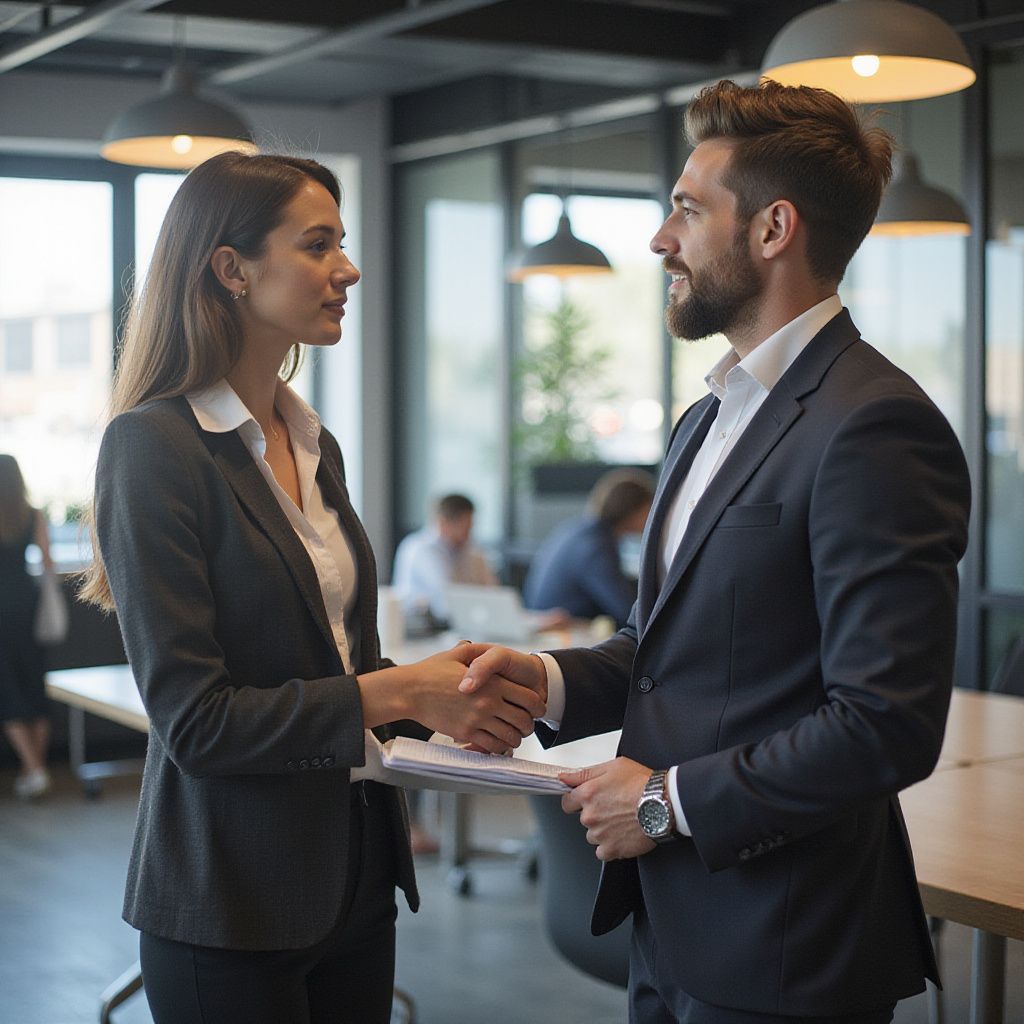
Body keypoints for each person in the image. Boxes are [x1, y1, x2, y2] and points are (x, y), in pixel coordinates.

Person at [461, 79, 971, 1023]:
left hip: (787, 947)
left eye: (688, 211)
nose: (660, 239)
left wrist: (663, 801)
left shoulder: (877, 426)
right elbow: (669, 651)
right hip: (673, 923)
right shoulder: (708, 418)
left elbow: (885, 723)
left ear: (774, 229)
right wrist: (538, 680)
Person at [79, 151, 542, 1024]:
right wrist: (400, 688)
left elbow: (336, 663)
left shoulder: (310, 443)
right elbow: (197, 723)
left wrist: (449, 694)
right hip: (231, 900)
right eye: (319, 244)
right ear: (231, 269)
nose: (349, 269)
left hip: (357, 877)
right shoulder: (154, 447)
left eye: (344, 242)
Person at [524, 468, 654, 628]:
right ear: (637, 509)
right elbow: (627, 612)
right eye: (651, 508)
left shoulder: (579, 530)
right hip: (562, 632)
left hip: (548, 623)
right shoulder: (595, 546)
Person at [0, 454, 54, 799]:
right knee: (35, 683)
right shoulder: (32, 513)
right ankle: (36, 769)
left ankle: (33, 769)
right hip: (28, 603)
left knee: (7, 688)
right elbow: (48, 561)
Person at [392, 493, 498, 626]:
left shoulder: (472, 550)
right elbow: (447, 598)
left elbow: (493, 594)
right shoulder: (419, 548)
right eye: (463, 527)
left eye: (470, 526)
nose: (468, 533)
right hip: (422, 627)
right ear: (443, 522)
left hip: (464, 625)